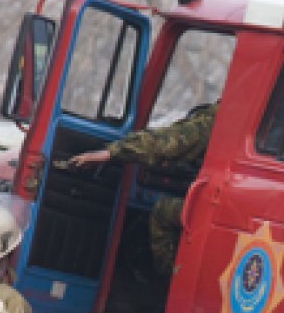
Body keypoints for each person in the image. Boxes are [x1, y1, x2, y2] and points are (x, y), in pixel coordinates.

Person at [67, 102, 217, 276]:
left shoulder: (225, 115)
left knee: (163, 211)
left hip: (217, 208)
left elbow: (170, 142)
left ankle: (172, 282)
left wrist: (112, 153)